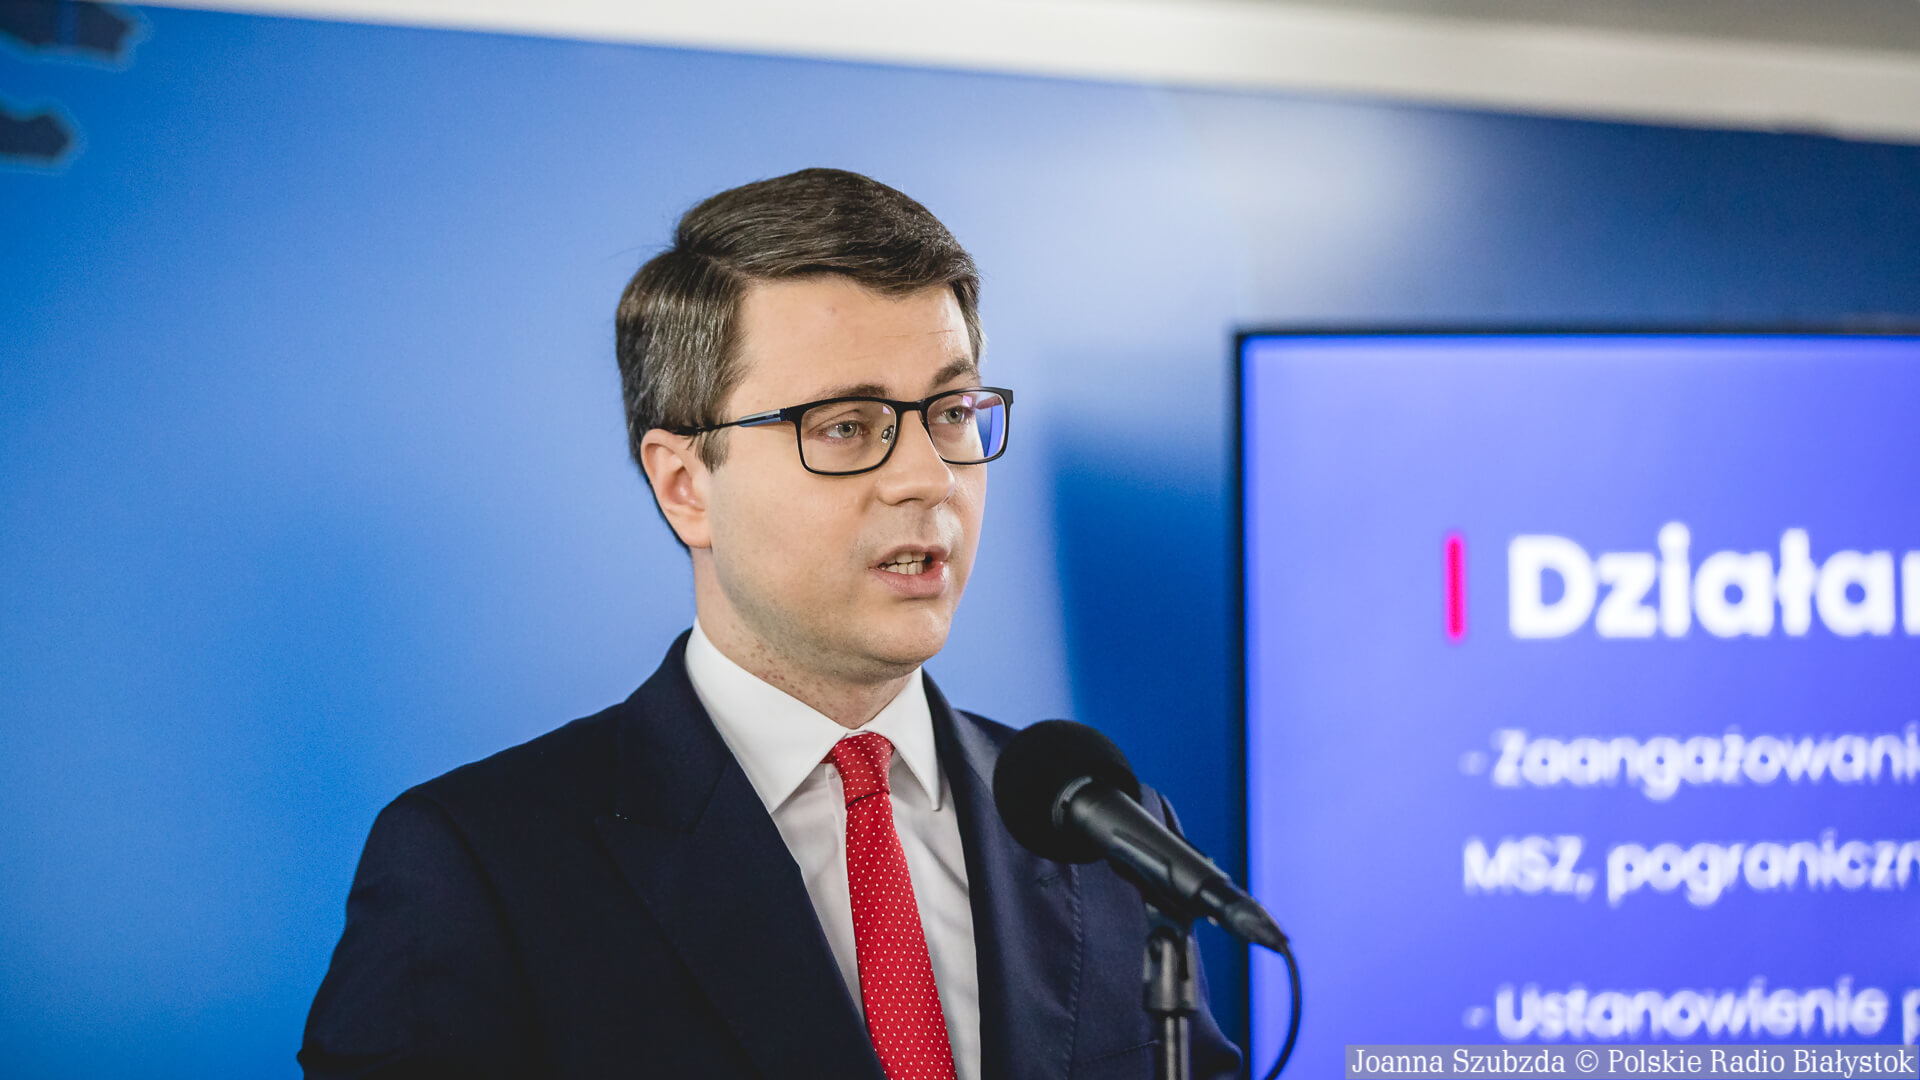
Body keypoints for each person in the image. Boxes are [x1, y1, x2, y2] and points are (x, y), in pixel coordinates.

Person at [299, 168, 1240, 1080]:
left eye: (951, 411)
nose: (929, 477)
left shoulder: (1110, 834)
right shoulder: (477, 868)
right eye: (846, 426)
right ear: (685, 485)